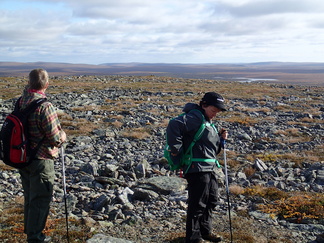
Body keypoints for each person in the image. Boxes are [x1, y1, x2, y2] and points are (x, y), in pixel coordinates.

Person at [166, 92, 228, 243]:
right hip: (197, 167)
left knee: (212, 199)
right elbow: (174, 124)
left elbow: (211, 149)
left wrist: (220, 139)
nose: (215, 115)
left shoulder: (206, 121)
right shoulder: (195, 117)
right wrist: (175, 149)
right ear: (204, 105)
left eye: (217, 112)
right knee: (198, 203)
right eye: (213, 111)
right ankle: (193, 237)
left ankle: (205, 231)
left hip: (209, 166)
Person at [18, 69, 66, 243]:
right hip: (42, 159)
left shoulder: (21, 101)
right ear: (46, 84)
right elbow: (55, 139)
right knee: (40, 199)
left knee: (30, 197)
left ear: (29, 82)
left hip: (23, 158)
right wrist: (63, 136)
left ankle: (30, 231)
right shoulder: (45, 106)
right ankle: (35, 237)